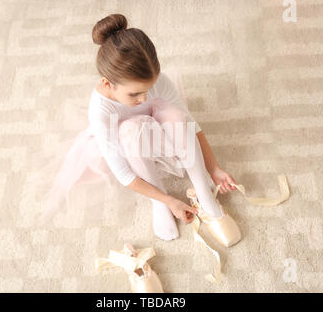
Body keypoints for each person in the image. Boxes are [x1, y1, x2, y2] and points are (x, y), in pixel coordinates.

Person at [35, 13, 238, 241]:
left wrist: (214, 168)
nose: (143, 98)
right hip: (130, 144)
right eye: (134, 93)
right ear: (107, 84)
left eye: (148, 89)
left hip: (160, 128)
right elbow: (123, 172)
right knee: (131, 130)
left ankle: (203, 192)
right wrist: (167, 201)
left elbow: (191, 125)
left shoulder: (159, 81)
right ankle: (157, 201)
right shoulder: (101, 111)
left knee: (177, 116)